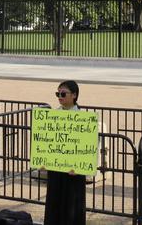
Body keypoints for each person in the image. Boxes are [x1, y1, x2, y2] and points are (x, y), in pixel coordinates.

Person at [43, 80, 87, 225]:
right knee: (54, 205)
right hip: (56, 171)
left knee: (72, 209)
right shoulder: (53, 116)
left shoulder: (83, 119)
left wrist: (80, 167)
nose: (59, 97)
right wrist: (43, 160)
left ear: (74, 95)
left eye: (63, 94)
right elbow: (46, 141)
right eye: (58, 94)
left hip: (74, 173)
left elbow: (88, 146)